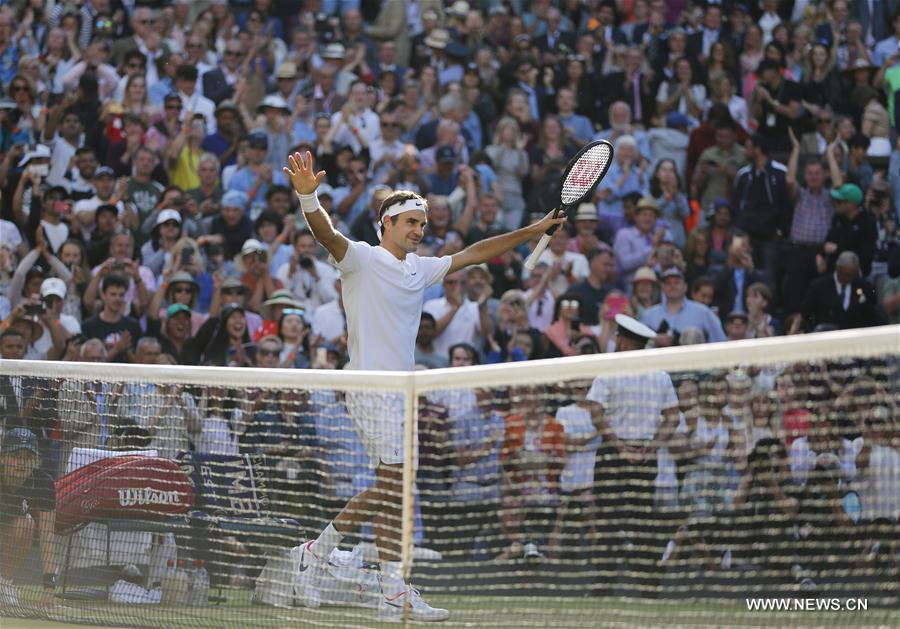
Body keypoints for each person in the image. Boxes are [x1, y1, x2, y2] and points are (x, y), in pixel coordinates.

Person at [282, 150, 565, 622]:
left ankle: (358, 571)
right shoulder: (362, 259)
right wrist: (309, 197)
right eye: (410, 222)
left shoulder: (421, 269)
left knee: (393, 488)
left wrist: (533, 231)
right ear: (386, 224)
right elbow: (326, 235)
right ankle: (348, 566)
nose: (418, 230)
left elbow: (476, 252)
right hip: (370, 388)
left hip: (402, 393)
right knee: (393, 484)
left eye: (422, 223)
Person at [583, 314, 679, 588]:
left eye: (618, 338)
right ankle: (647, 584)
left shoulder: (609, 371)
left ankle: (605, 584)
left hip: (615, 455)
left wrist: (620, 447)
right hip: (644, 455)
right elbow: (673, 416)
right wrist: (652, 447)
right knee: (642, 521)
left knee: (609, 521)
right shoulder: (660, 376)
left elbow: (595, 413)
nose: (615, 343)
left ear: (625, 343)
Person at [0, 428, 57, 608]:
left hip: (9, 534)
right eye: (16, 455)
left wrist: (49, 588)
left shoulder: (44, 484)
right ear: (2, 457)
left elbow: (47, 537)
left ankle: (4, 584)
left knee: (26, 524)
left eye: (28, 457)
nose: (21, 463)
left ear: (36, 461)